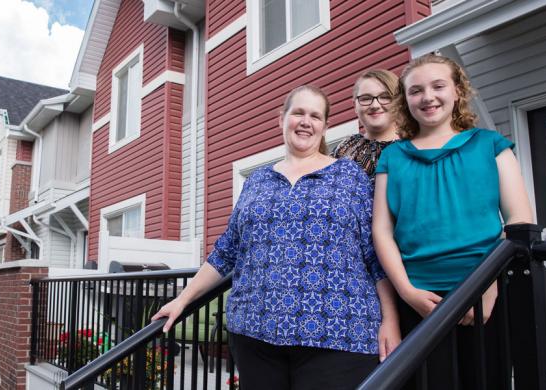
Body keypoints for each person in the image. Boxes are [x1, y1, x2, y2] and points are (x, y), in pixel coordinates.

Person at [152, 85, 400, 390]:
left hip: (338, 333)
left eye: (315, 116)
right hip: (255, 334)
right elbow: (226, 251)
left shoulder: (349, 176)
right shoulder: (257, 180)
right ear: (281, 118)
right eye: (298, 113)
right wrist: (183, 300)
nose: (306, 121)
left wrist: (391, 319)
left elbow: (374, 253)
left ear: (325, 126)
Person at [372, 54, 533, 389]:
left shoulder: (491, 145)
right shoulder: (393, 156)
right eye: (415, 90)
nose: (427, 96)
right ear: (405, 100)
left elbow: (519, 220)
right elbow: (382, 230)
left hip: (486, 293)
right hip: (417, 297)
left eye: (438, 86)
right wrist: (407, 291)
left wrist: (486, 287)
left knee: (486, 379)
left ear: (458, 91)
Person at [331, 69, 399, 181]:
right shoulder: (344, 149)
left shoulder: (414, 147)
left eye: (385, 97)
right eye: (366, 98)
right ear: (355, 106)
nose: (375, 105)